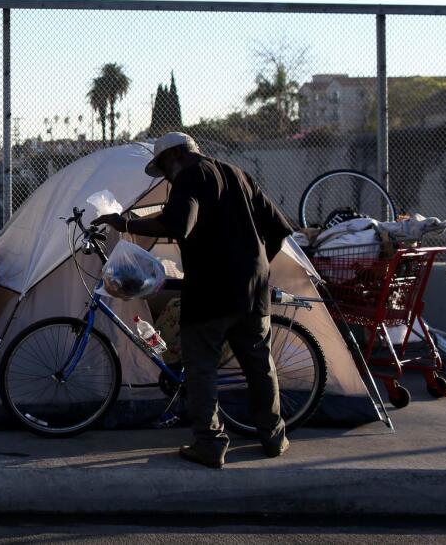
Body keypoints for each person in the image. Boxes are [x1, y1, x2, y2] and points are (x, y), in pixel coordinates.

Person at [92, 132, 295, 469]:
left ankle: (210, 443)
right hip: (252, 289)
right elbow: (277, 228)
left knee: (201, 367)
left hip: (210, 290)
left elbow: (178, 225)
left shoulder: (189, 177)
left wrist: (124, 222)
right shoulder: (237, 173)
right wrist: (254, 265)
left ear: (174, 156)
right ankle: (274, 437)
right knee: (259, 364)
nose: (166, 177)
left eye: (163, 168)